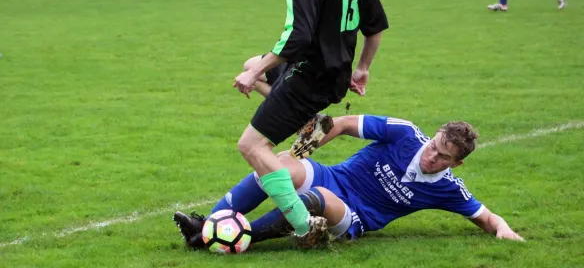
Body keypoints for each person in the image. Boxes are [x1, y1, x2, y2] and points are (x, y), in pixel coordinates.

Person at [228, 0, 389, 241]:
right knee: (250, 63)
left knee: (252, 147)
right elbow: (375, 26)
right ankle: (307, 120)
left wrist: (256, 74)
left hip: (310, 78)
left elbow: (296, 38)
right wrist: (362, 69)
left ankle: (305, 226)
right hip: (335, 76)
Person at [173, 114, 524, 250]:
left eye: (442, 157)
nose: (431, 156)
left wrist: (503, 230)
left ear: (457, 163)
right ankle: (208, 225)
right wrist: (302, 151)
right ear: (432, 137)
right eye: (433, 146)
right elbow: (338, 123)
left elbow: (488, 218)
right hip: (335, 175)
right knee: (279, 167)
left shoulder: (448, 189)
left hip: (352, 217)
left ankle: (244, 236)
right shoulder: (403, 133)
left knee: (317, 197)